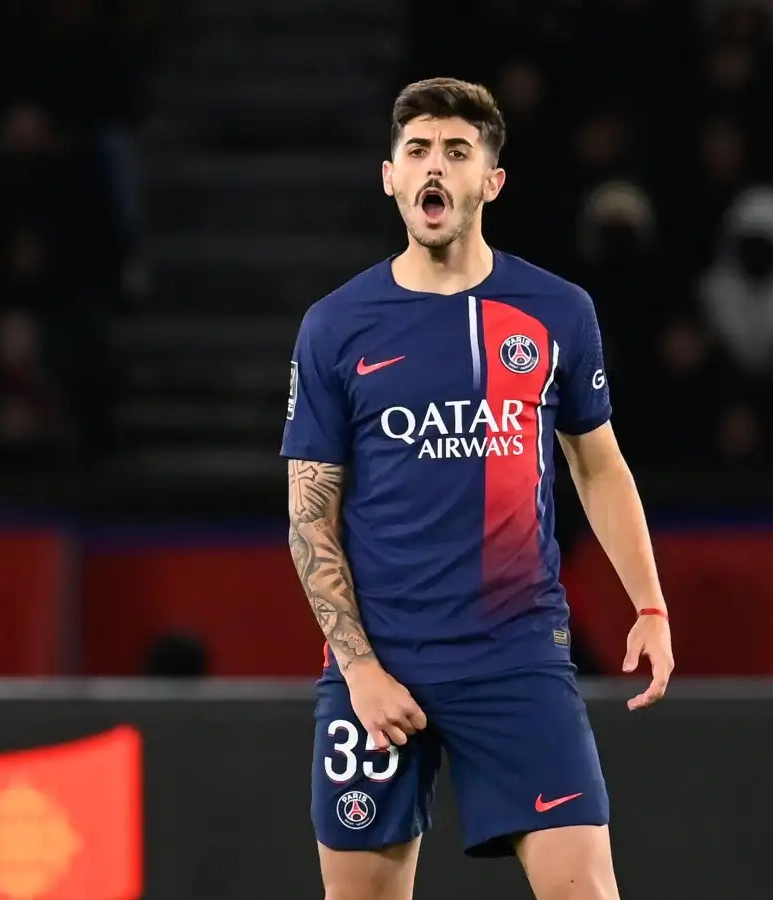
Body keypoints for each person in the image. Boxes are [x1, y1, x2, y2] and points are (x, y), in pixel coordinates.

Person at [281, 78, 673, 900]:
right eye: (418, 149)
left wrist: (650, 606)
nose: (435, 166)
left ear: (490, 181)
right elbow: (309, 517)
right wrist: (360, 671)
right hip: (379, 662)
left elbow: (598, 466)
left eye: (457, 152)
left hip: (516, 657)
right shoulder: (335, 326)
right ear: (390, 176)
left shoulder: (555, 311)